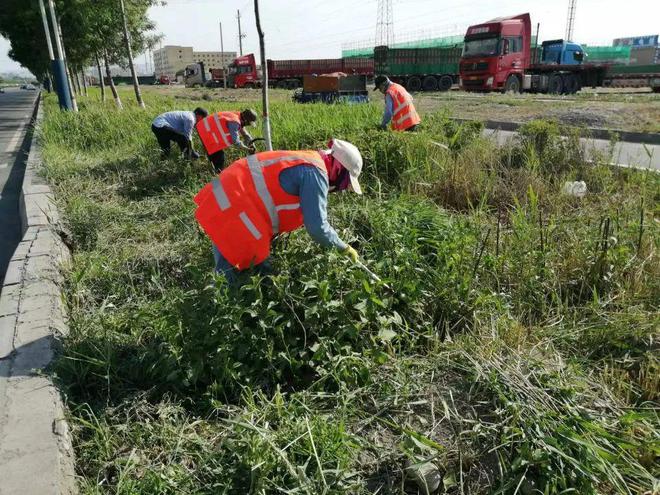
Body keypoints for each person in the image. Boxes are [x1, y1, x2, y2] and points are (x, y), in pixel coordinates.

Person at [194, 139, 364, 287]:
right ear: (338, 169)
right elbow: (317, 227)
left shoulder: (310, 159)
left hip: (225, 187)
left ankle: (224, 296)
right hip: (237, 201)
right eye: (345, 183)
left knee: (227, 246)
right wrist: (344, 248)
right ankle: (223, 307)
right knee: (241, 267)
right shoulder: (316, 173)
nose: (341, 189)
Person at [195, 109, 259, 173]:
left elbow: (244, 133)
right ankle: (217, 175)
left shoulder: (237, 116)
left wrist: (252, 143)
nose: (247, 125)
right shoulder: (234, 121)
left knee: (216, 156)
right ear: (245, 120)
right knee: (219, 158)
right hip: (205, 132)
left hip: (204, 129)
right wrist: (248, 149)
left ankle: (213, 172)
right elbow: (236, 141)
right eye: (248, 123)